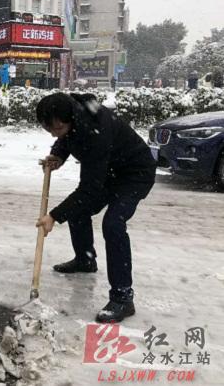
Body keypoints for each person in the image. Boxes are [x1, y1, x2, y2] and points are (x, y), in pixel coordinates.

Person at [35, 93, 156, 323]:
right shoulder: (74, 114)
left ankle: (122, 297)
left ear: (69, 119)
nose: (53, 133)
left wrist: (54, 216)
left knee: (113, 224)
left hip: (134, 174)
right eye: (48, 129)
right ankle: (85, 259)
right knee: (78, 210)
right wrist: (58, 155)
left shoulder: (95, 132)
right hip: (110, 171)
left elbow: (89, 190)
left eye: (55, 128)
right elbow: (66, 136)